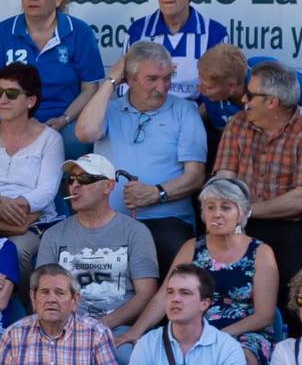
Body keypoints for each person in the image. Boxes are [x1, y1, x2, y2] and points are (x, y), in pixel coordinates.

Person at [78, 42, 210, 256]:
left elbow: (195, 176)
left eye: (167, 78)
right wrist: (110, 81)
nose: (162, 87)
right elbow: (85, 133)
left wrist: (157, 192)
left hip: (167, 221)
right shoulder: (109, 110)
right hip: (109, 219)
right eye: (152, 79)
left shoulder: (185, 112)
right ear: (129, 79)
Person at [212, 60, 302, 278]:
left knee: (291, 284)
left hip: (290, 225)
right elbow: (224, 178)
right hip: (241, 222)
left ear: (272, 102)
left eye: (250, 95)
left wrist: (246, 211)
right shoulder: (237, 124)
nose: (243, 100)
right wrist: (228, 211)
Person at [160, 177, 285, 360]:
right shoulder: (192, 248)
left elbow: (264, 315)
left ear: (242, 214)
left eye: (226, 207)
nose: (217, 214)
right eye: (210, 207)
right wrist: (135, 331)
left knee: (241, 356)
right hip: (194, 330)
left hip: (244, 333)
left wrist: (218, 337)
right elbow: (164, 295)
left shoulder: (260, 252)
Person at [41, 155, 160, 335]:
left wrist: (103, 324)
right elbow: (41, 292)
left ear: (109, 186)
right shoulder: (53, 235)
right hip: (63, 329)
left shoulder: (136, 232)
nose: (75, 185)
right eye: (71, 179)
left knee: (127, 358)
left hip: (117, 329)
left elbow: (146, 293)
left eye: (85, 179)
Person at [0, 0, 106, 124]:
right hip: (15, 120)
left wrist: (63, 119)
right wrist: (20, 122)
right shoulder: (0, 33)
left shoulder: (80, 32)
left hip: (67, 119)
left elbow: (90, 89)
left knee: (73, 141)